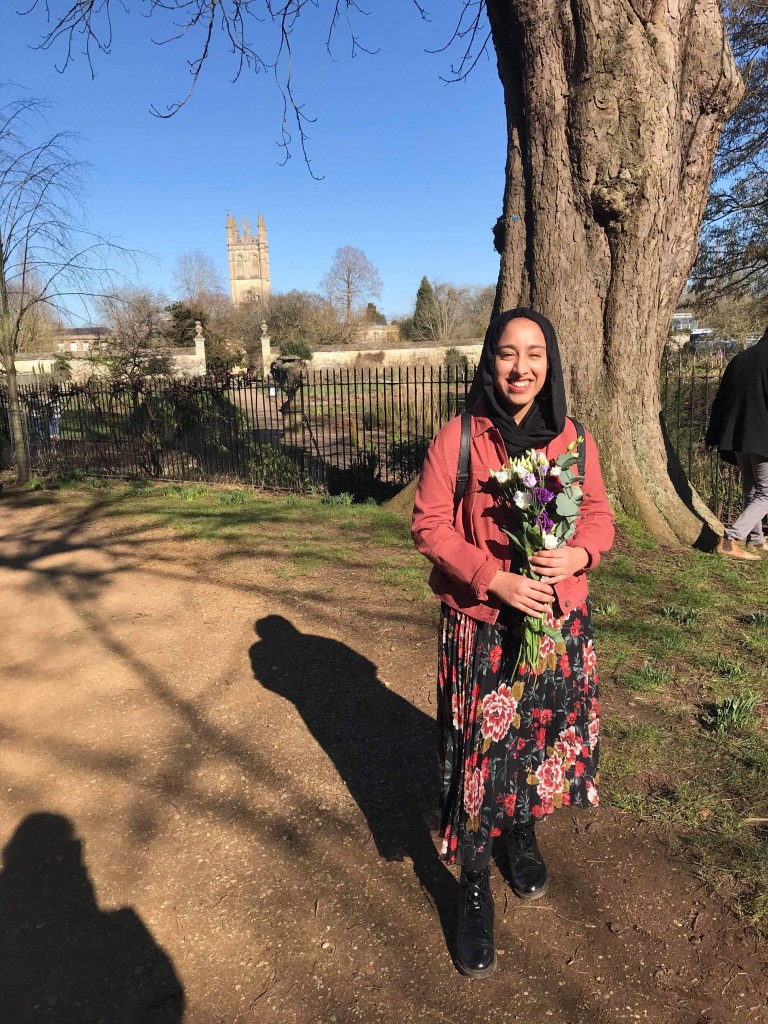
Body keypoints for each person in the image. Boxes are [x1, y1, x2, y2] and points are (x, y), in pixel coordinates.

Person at [412, 308, 614, 978]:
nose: (521, 367)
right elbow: (430, 525)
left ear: (550, 362)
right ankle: (473, 881)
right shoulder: (461, 437)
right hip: (481, 626)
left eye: (533, 354)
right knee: (479, 755)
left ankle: (520, 827)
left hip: (554, 626)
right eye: (506, 353)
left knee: (534, 741)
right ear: (489, 363)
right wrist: (490, 576)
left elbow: (599, 518)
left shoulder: (574, 439)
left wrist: (580, 556)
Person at [705, 326, 768, 560]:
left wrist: (712, 436)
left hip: (738, 437)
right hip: (763, 437)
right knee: (766, 494)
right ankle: (730, 540)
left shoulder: (741, 358)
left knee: (753, 491)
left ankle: (756, 540)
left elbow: (720, 401)